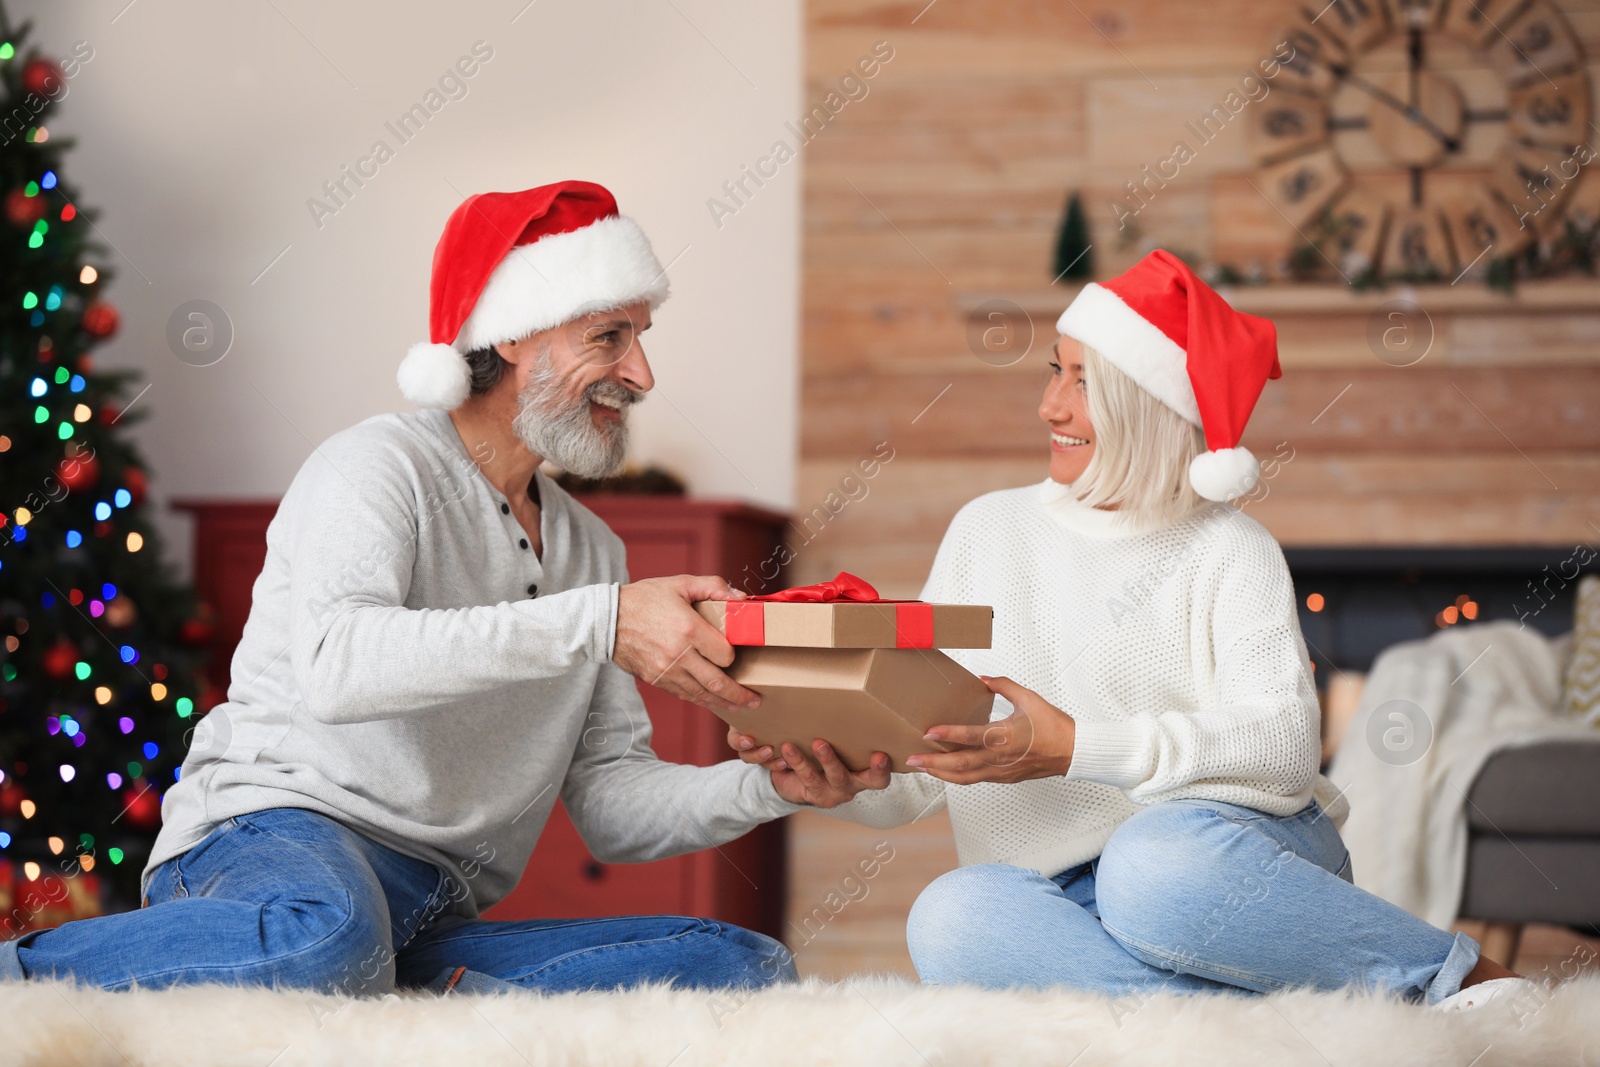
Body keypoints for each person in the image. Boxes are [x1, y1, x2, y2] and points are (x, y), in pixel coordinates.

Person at [0, 180, 888, 996]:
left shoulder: (593, 550)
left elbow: (613, 804)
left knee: (738, 964)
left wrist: (771, 786)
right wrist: (601, 622)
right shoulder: (376, 467)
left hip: (428, 910)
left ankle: (375, 986)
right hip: (276, 838)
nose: (642, 374)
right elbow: (337, 667)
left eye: (641, 339)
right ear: (513, 331)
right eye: (609, 337)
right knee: (325, 936)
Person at [731, 250, 1526, 1011]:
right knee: (951, 913)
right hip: (1065, 898)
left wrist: (1075, 745)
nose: (1051, 405)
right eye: (1054, 370)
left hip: (1224, 858)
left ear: (1149, 406)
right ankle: (1240, 1030)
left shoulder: (1229, 547)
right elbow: (927, 766)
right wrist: (837, 781)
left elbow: (1284, 749)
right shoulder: (987, 531)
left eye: (1083, 382)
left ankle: (1458, 983)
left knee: (1151, 867)